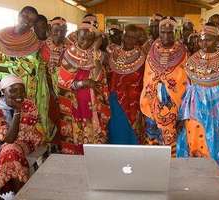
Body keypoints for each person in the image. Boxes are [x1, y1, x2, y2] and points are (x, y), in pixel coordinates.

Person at [178, 22, 219, 166]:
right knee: (193, 143)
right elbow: (188, 89)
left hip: (215, 114)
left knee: (213, 146)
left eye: (208, 39)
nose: (203, 43)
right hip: (193, 112)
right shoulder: (192, 60)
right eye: (201, 39)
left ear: (218, 40)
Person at [0, 6, 50, 138]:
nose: (26, 22)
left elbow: (28, 67)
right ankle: (11, 143)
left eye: (31, 21)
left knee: (29, 114)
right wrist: (4, 68)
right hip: (8, 87)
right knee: (9, 115)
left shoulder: (32, 41)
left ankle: (30, 142)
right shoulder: (2, 35)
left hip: (29, 86)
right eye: (25, 17)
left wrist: (1, 68)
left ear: (33, 25)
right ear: (19, 15)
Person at [57, 20, 110, 155]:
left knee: (94, 134)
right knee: (77, 133)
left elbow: (98, 78)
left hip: (93, 103)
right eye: (82, 38)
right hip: (75, 103)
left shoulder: (97, 55)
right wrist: (83, 83)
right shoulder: (69, 54)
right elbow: (63, 82)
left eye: (89, 39)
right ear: (76, 35)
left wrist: (95, 52)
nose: (85, 42)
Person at [140, 16, 188, 157]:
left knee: (171, 142)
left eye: (169, 32)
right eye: (163, 32)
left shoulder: (183, 53)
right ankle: (153, 167)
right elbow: (147, 76)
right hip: (152, 104)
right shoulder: (152, 51)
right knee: (152, 140)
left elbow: (185, 82)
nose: (166, 36)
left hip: (173, 106)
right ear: (159, 32)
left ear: (176, 32)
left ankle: (171, 169)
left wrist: (167, 82)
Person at [0, 75, 43, 200]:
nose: (19, 94)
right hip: (5, 147)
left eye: (21, 90)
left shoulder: (29, 104)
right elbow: (10, 138)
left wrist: (1, 137)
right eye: (13, 90)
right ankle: (21, 192)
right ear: (3, 92)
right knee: (11, 150)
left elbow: (26, 133)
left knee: (10, 149)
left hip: (28, 143)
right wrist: (17, 112)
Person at [108, 24, 146, 145]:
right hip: (115, 100)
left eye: (133, 37)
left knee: (133, 132)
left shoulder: (142, 55)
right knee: (117, 130)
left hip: (134, 100)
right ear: (122, 36)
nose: (129, 40)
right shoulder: (114, 53)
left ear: (137, 39)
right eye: (127, 36)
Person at [40, 17, 68, 142]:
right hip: (46, 89)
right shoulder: (42, 46)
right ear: (50, 30)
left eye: (63, 31)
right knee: (50, 116)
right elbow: (42, 70)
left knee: (64, 117)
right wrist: (51, 89)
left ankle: (63, 143)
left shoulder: (70, 47)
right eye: (56, 30)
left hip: (64, 89)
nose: (59, 34)